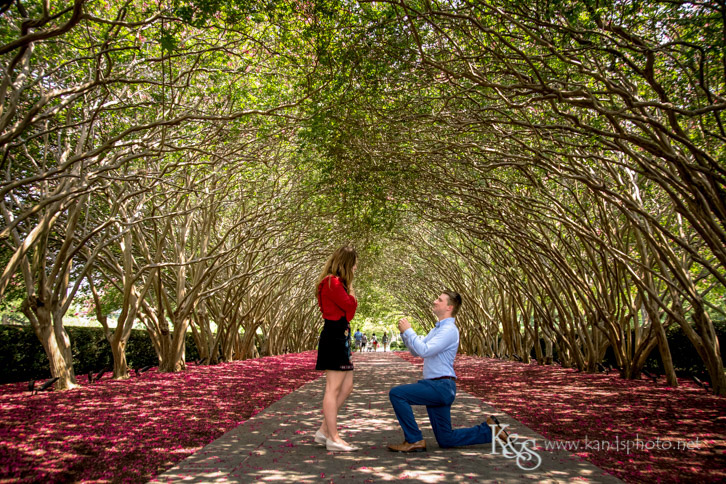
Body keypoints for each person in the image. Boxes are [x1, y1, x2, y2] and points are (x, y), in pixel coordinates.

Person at [387, 290, 511, 452]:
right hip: (437, 386)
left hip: (440, 386)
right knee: (446, 439)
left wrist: (410, 330)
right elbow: (416, 351)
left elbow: (424, 350)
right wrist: (405, 334)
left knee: (397, 394)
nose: (434, 301)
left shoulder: (449, 330)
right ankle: (490, 431)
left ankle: (414, 440)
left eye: (439, 300)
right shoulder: (437, 329)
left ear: (449, 307)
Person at [314, 246, 360, 452]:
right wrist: (352, 294)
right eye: (355, 263)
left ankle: (324, 430)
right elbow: (350, 307)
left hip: (341, 337)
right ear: (347, 263)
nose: (356, 267)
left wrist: (349, 294)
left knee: (347, 387)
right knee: (332, 388)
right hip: (333, 338)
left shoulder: (337, 283)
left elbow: (348, 314)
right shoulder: (332, 283)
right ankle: (333, 437)